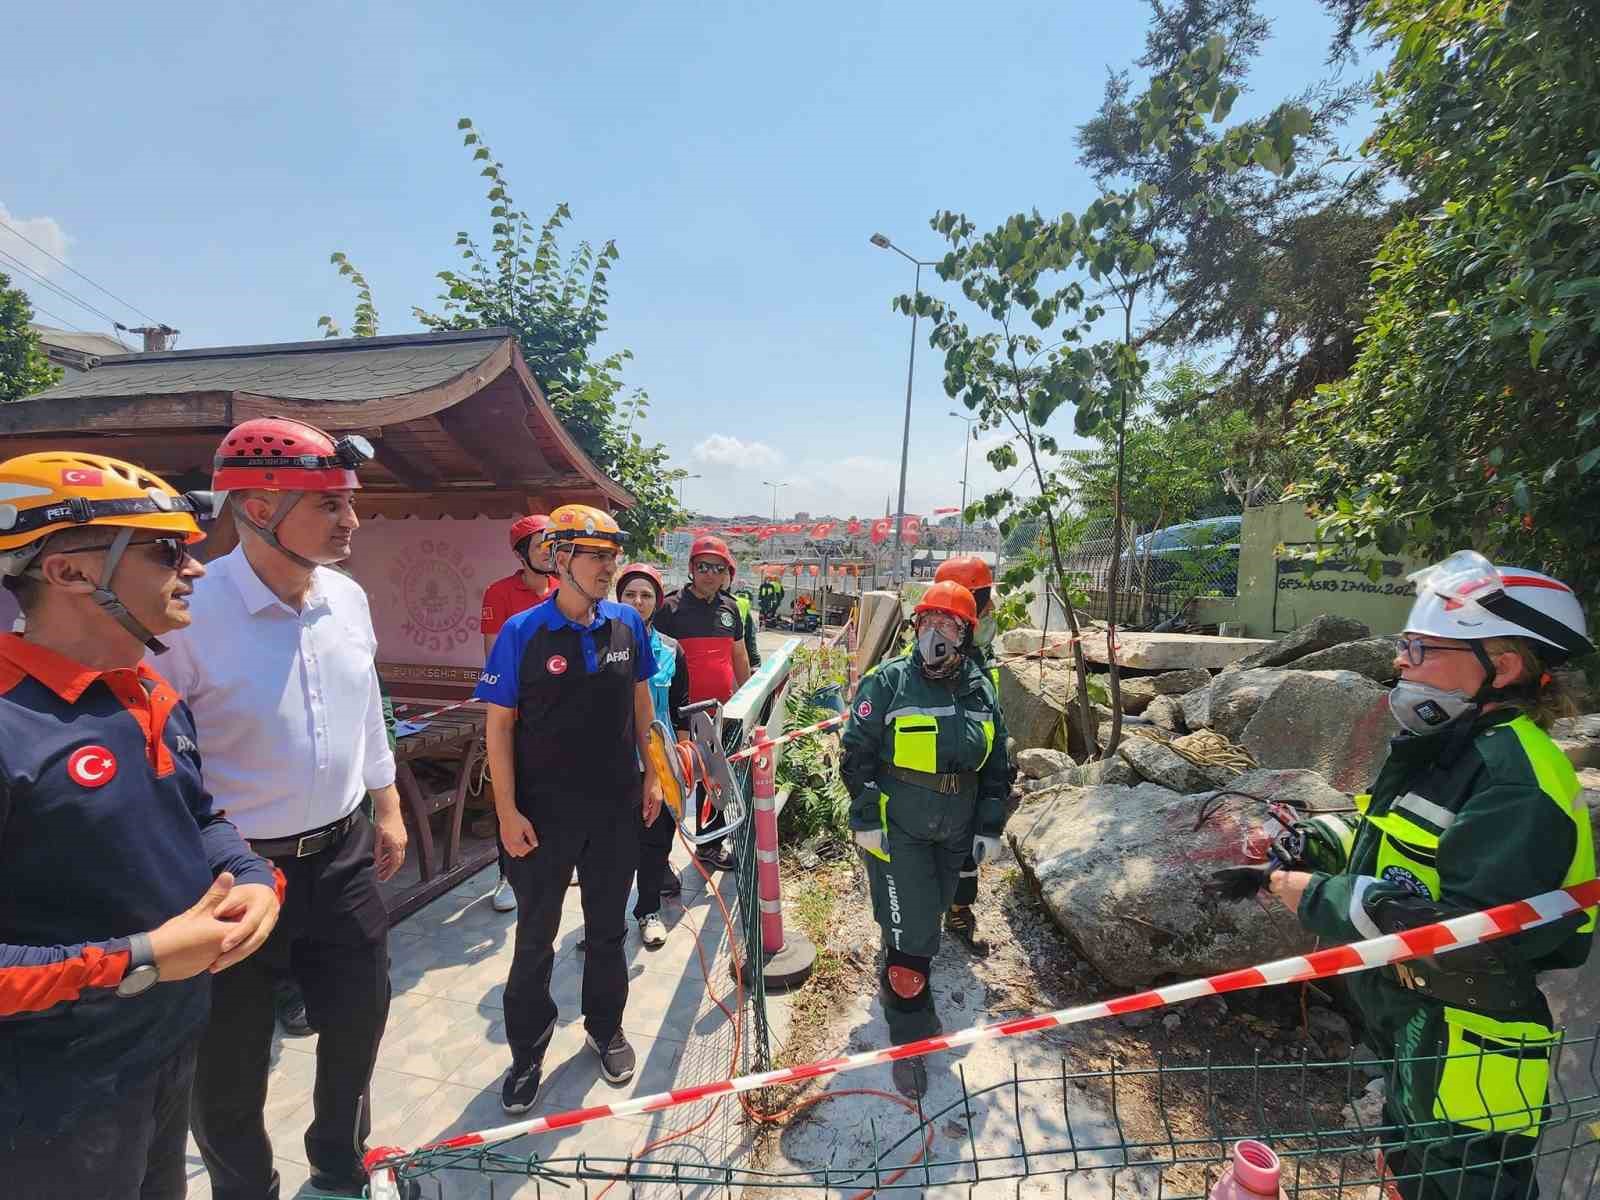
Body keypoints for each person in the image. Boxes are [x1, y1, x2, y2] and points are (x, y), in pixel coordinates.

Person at [1219, 552, 1596, 1200]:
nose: (1400, 661)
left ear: (1501, 666)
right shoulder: (1447, 752)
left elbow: (1464, 933)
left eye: (1420, 647)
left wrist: (1315, 896)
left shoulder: (1517, 781)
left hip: (1475, 1057)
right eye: (1404, 645)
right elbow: (1390, 847)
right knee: (1404, 1174)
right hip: (1417, 1033)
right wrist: (1306, 844)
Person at [0, 451, 281, 1199]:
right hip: (46, 1093)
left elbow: (196, 816)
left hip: (164, 1049)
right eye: (165, 552)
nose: (193, 569)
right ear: (67, 573)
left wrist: (254, 878)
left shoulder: (146, 687)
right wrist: (139, 959)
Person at [162, 417, 411, 1200]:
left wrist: (389, 799)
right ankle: (248, 1189)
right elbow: (163, 759)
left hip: (342, 858)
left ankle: (339, 1162)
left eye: (349, 502)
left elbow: (366, 703)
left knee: (357, 1027)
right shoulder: (188, 616)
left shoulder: (346, 597)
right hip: (231, 883)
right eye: (329, 505)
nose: (351, 521)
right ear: (259, 508)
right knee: (227, 1070)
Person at [474, 504, 665, 1112]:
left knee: (608, 931)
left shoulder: (626, 627)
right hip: (543, 814)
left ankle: (604, 1027)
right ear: (560, 559)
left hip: (614, 808)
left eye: (613, 555)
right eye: (596, 555)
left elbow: (641, 704)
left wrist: (653, 775)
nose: (609, 568)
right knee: (535, 938)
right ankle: (527, 1053)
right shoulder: (522, 633)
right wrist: (506, 811)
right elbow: (498, 728)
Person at [840, 580, 1012, 1099]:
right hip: (901, 829)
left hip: (954, 828)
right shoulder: (888, 683)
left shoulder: (981, 689)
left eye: (947, 624)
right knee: (913, 937)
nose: (933, 633)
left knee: (926, 920)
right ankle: (908, 1036)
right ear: (914, 629)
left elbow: (997, 764)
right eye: (925, 622)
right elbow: (856, 754)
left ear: (965, 634)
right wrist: (866, 812)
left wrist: (989, 824)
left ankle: (900, 963)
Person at [653, 533, 751, 872]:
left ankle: (709, 845)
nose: (710, 573)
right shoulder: (669, 608)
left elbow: (739, 656)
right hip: (678, 718)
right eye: (703, 566)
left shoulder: (731, 608)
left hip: (719, 716)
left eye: (718, 567)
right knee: (672, 784)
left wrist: (750, 699)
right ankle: (658, 860)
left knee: (715, 782)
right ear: (692, 568)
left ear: (726, 572)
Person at [481, 513, 557, 913]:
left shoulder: (566, 588)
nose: (550, 550)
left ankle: (557, 859)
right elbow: (496, 657)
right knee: (510, 793)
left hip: (560, 715)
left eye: (554, 542)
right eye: (541, 543)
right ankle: (506, 874)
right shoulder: (499, 593)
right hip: (520, 711)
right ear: (521, 552)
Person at [617, 562, 691, 947]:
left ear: (657, 602)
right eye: (630, 594)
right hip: (612, 760)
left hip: (658, 761)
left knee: (655, 839)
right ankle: (607, 921)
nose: (638, 601)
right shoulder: (600, 645)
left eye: (646, 595)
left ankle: (647, 910)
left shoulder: (670, 651)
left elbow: (680, 708)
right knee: (611, 844)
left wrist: (680, 761)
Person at [932, 554, 1002, 953]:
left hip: (969, 770)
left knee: (966, 840)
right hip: (937, 773)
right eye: (985, 600)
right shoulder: (939, 662)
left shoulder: (978, 660)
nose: (991, 609)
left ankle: (959, 908)